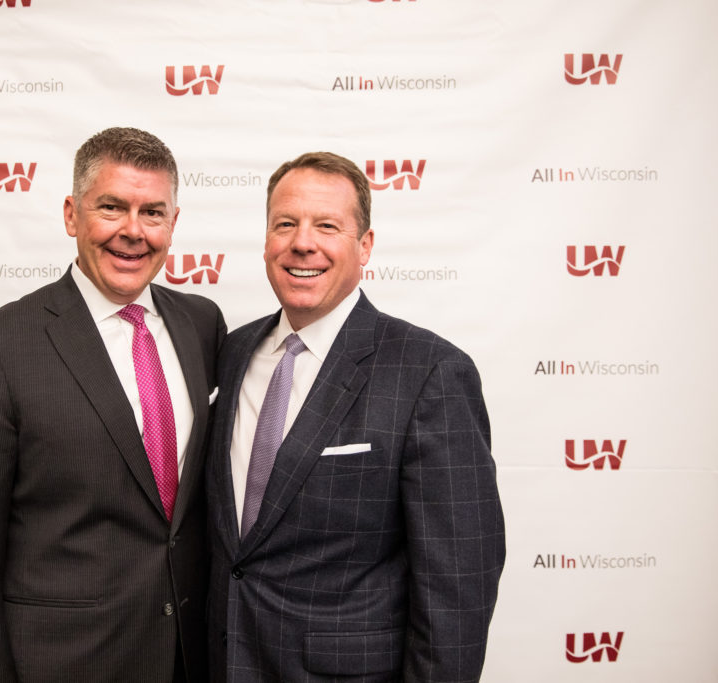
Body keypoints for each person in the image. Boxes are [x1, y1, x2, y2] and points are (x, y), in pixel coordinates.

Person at [0, 127, 225, 683]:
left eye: (152, 213)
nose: (132, 232)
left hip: (188, 657)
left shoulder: (202, 324)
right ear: (71, 214)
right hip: (64, 664)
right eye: (111, 207)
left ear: (173, 224)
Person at [206, 152, 504, 682]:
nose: (303, 242)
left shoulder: (430, 372)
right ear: (267, 239)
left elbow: (459, 586)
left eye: (327, 225)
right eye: (285, 224)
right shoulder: (232, 352)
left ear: (364, 245)